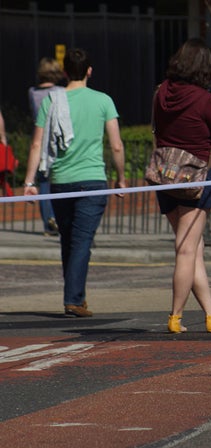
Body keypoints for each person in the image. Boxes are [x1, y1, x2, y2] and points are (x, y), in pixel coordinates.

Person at [22, 48, 126, 318]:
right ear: (89, 71)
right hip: (92, 180)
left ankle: (76, 296)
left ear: (65, 72)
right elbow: (116, 146)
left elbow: (36, 143)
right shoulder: (103, 101)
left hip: (60, 181)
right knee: (81, 241)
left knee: (68, 240)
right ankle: (73, 299)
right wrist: (122, 178)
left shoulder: (51, 100)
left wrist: (29, 180)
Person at [152, 38, 211, 333]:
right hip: (195, 177)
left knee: (193, 248)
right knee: (187, 250)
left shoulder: (160, 93)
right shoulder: (205, 100)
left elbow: (156, 129)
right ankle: (175, 316)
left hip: (165, 175)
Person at [28, 57, 64, 236]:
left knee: (43, 182)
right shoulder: (60, 91)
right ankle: (58, 217)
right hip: (56, 139)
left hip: (39, 137)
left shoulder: (32, 92)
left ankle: (47, 223)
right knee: (58, 179)